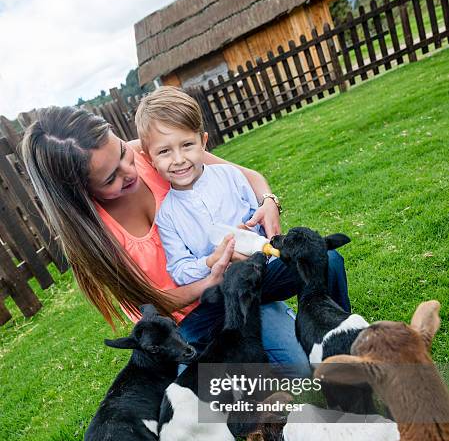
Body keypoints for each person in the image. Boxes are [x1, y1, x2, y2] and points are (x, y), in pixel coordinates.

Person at [21, 105, 349, 377]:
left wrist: (268, 201)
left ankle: (336, 338)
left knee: (323, 262)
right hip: (190, 321)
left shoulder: (155, 151)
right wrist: (210, 280)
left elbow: (246, 175)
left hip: (239, 284)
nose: (129, 170)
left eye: (122, 151)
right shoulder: (90, 238)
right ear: (79, 191)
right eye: (111, 178)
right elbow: (155, 304)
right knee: (239, 399)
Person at [135, 87, 265, 286]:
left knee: (326, 262)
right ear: (149, 158)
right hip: (227, 291)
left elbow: (260, 221)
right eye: (164, 151)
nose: (178, 160)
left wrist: (249, 234)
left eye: (187, 145)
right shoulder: (167, 215)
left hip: (265, 267)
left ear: (203, 142)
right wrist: (210, 261)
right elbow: (179, 270)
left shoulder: (230, 176)